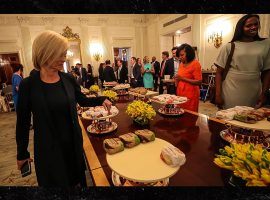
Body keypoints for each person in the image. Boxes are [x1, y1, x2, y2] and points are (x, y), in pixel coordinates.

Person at [16, 30, 112, 187]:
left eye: (64, 53)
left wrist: (102, 99)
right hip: (49, 150)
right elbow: (23, 123)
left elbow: (81, 100)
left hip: (73, 146)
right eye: (60, 54)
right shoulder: (28, 85)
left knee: (76, 182)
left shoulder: (68, 78)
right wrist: (22, 153)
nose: (64, 58)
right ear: (46, 53)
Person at [214, 14, 270, 109]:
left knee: (252, 118)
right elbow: (218, 73)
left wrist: (264, 93)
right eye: (248, 26)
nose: (253, 27)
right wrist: (218, 95)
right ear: (241, 28)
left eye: (256, 24)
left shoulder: (265, 44)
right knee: (230, 117)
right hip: (231, 88)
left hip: (254, 88)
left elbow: (267, 71)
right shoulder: (230, 46)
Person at [175, 43, 202, 112]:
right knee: (181, 112)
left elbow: (199, 81)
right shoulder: (181, 64)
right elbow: (180, 77)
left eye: (182, 55)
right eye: (179, 55)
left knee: (190, 114)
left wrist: (182, 78)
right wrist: (176, 79)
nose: (180, 57)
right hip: (180, 92)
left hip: (191, 94)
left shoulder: (195, 64)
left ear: (189, 54)